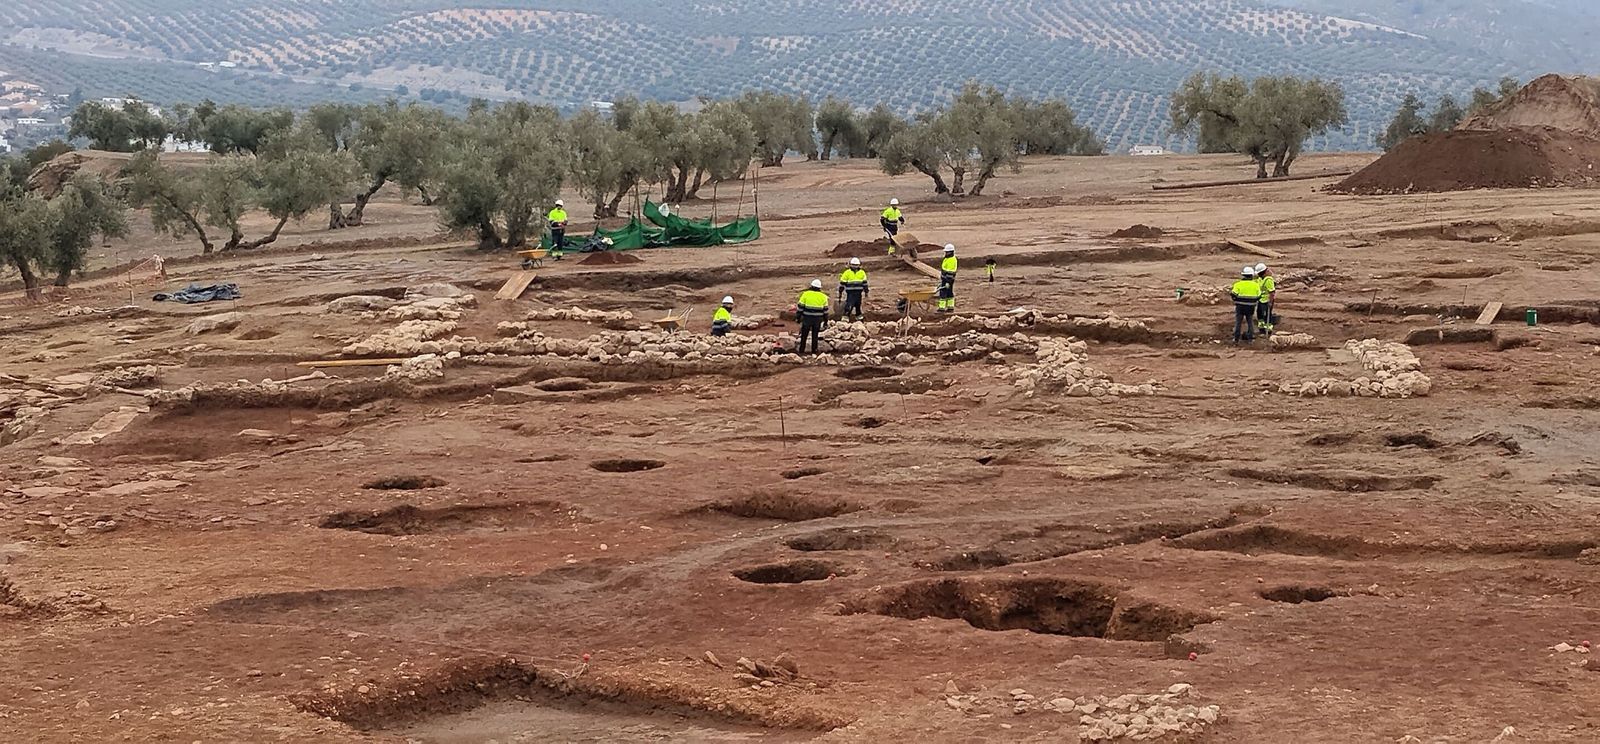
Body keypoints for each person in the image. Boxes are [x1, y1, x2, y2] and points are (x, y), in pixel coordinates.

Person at [796, 279, 831, 354]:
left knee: (804, 335)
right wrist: (825, 321)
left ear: (811, 286)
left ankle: (801, 350)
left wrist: (798, 318)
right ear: (819, 288)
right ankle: (814, 351)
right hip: (817, 319)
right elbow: (825, 311)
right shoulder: (823, 297)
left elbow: (800, 307)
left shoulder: (805, 294)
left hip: (807, 318)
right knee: (815, 335)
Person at [1230, 266, 1263, 343]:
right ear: (1252, 275)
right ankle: (1250, 338)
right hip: (1251, 306)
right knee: (1250, 321)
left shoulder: (1238, 284)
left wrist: (1236, 300)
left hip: (1240, 306)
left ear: (1243, 275)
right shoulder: (1255, 285)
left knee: (1238, 322)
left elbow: (1233, 294)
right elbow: (1259, 296)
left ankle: (1236, 338)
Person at [1255, 263, 1276, 337]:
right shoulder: (1260, 279)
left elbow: (1272, 292)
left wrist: (1270, 302)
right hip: (1261, 299)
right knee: (1259, 313)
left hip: (1267, 300)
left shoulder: (1269, 280)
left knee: (1267, 314)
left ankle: (1268, 329)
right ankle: (1261, 328)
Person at [937, 244, 958, 313]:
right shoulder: (948, 258)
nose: (945, 253)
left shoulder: (951, 260)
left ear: (951, 252)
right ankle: (950, 307)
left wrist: (947, 282)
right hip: (946, 279)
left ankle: (941, 308)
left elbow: (950, 272)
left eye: (947, 252)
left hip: (948, 279)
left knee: (943, 293)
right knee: (949, 293)